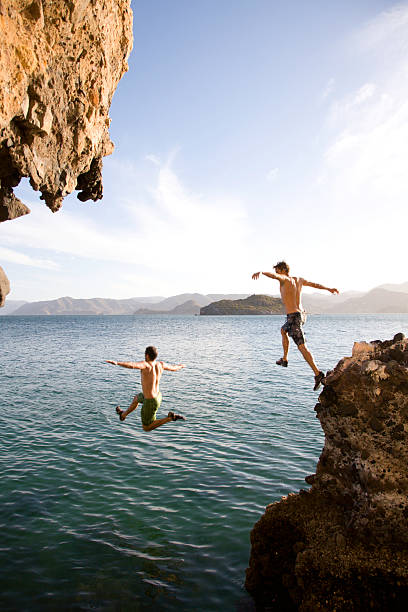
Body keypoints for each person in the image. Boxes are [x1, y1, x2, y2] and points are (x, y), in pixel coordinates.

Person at [252, 261, 339, 390]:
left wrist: (262, 273)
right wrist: (328, 289)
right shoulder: (299, 280)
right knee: (283, 330)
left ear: (282, 270)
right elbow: (314, 284)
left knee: (301, 346)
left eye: (277, 270)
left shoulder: (284, 279)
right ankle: (285, 359)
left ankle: (317, 373)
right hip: (301, 315)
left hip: (294, 316)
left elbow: (276, 277)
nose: (277, 273)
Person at [106, 345, 186, 431]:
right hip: (158, 396)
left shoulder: (146, 365)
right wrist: (180, 366)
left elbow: (132, 365)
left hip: (150, 401)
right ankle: (123, 415)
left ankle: (170, 418)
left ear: (147, 355)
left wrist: (117, 363)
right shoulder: (160, 364)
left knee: (146, 428)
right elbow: (173, 368)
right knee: (136, 398)